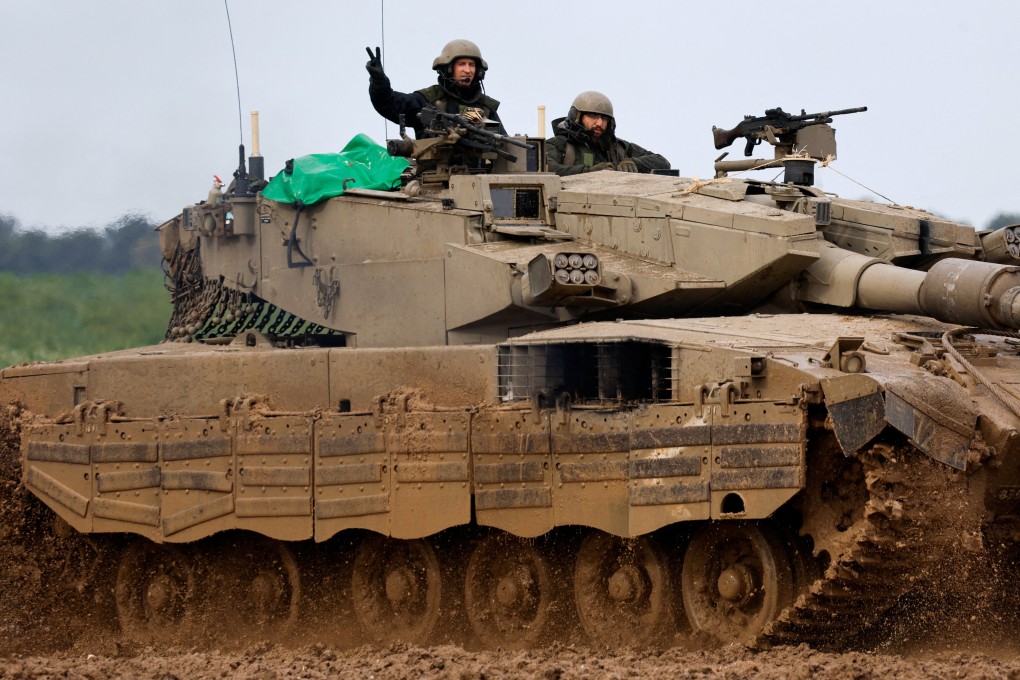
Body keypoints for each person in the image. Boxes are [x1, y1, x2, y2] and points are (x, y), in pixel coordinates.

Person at [365, 39, 505, 139]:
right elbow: (389, 103)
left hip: (480, 171)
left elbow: (505, 144)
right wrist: (379, 81)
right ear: (448, 68)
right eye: (462, 64)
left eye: (472, 65)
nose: (468, 70)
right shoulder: (427, 100)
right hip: (434, 171)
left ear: (479, 71)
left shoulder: (485, 108)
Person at [546, 91, 670, 176]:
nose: (599, 123)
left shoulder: (620, 148)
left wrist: (633, 163)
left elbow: (662, 162)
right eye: (592, 116)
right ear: (577, 117)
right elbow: (547, 169)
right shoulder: (560, 145)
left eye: (604, 118)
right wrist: (588, 172)